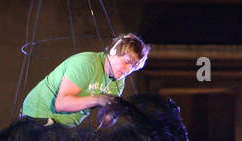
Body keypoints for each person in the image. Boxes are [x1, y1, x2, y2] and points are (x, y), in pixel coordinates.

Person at [20, 34, 150, 128]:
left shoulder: (119, 82)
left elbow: (104, 117)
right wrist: (98, 99)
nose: (128, 70)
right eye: (126, 62)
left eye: (134, 67)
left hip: (64, 127)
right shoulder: (86, 63)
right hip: (38, 117)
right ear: (113, 51)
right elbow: (61, 104)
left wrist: (110, 117)